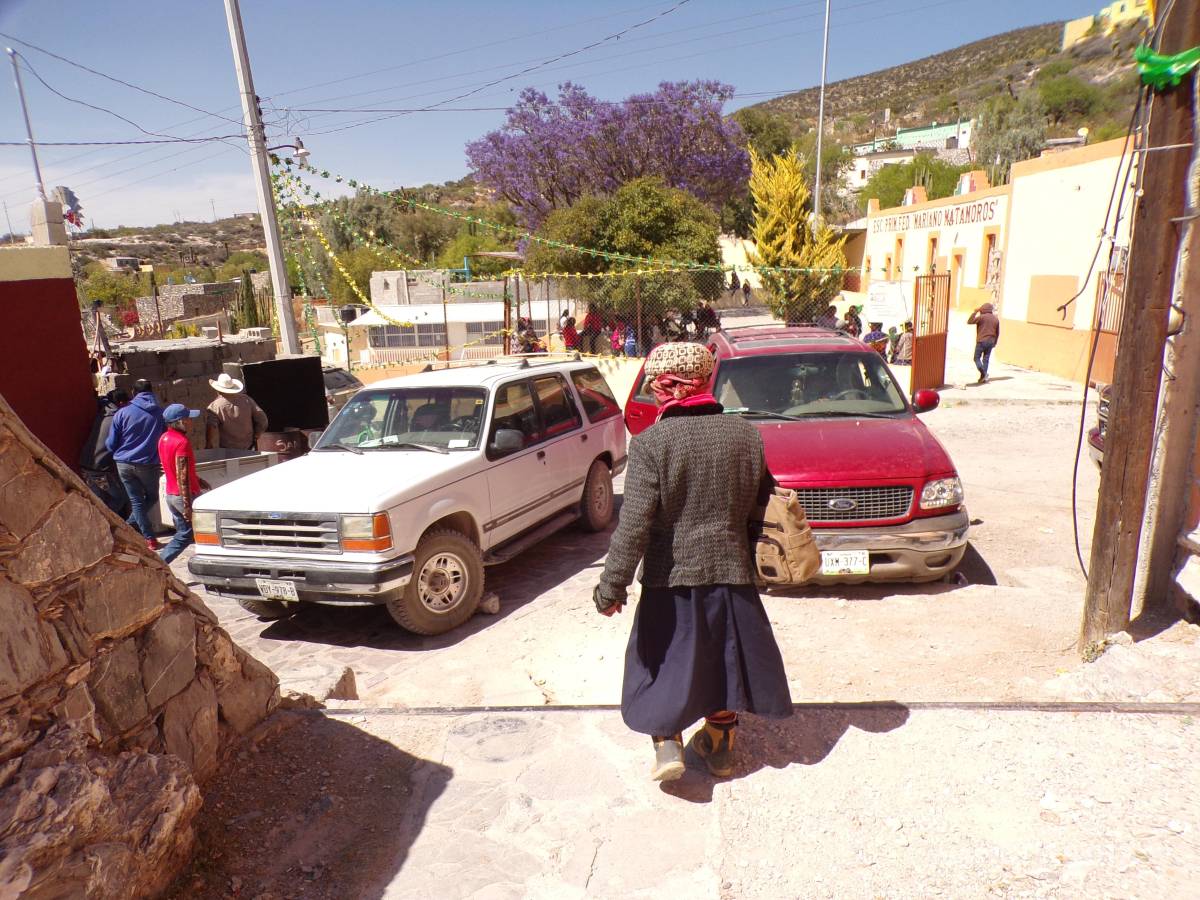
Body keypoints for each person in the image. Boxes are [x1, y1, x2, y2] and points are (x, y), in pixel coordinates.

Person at [594, 342, 792, 781]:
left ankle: (668, 747)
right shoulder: (746, 435)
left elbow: (634, 527)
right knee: (723, 663)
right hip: (732, 577)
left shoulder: (651, 445)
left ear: (665, 389)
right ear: (705, 383)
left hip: (671, 581)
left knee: (661, 663)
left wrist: (611, 587)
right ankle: (720, 748)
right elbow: (762, 502)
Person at [106, 379, 165, 550]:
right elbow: (163, 437)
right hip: (148, 464)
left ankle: (126, 527)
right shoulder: (160, 413)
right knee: (151, 497)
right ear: (151, 391)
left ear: (134, 392)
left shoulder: (122, 413)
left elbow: (111, 443)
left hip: (123, 463)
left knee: (136, 501)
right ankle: (147, 537)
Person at [157, 403, 203, 565]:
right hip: (183, 496)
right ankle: (159, 563)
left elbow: (171, 467)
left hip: (170, 495)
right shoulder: (182, 442)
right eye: (187, 419)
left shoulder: (163, 439)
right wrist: (188, 505)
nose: (191, 422)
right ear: (179, 422)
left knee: (184, 533)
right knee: (186, 535)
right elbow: (182, 475)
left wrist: (199, 480)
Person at [79, 389, 130, 517]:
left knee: (100, 502)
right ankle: (109, 521)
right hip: (101, 468)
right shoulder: (117, 418)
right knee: (121, 498)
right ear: (121, 403)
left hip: (85, 465)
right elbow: (115, 444)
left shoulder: (102, 413)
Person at [205, 373, 268, 451]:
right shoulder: (246, 399)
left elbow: (211, 426)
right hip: (249, 447)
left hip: (228, 450)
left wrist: (209, 443)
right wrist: (257, 434)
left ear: (218, 390)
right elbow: (263, 420)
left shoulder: (215, 406)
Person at [968, 302, 1000, 384]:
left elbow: (970, 321)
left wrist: (975, 312)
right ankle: (983, 378)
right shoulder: (995, 319)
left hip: (981, 341)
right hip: (991, 341)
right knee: (986, 359)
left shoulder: (981, 317)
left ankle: (983, 374)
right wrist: (995, 342)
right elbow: (997, 332)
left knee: (976, 358)